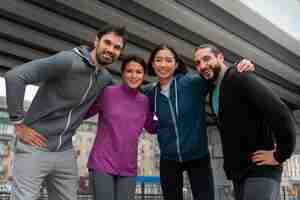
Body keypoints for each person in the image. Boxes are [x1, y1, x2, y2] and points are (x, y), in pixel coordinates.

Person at [4, 25, 127, 200]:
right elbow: (15, 77)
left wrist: (156, 87)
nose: (110, 50)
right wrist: (18, 123)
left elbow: (125, 95)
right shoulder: (68, 60)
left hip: (65, 152)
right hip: (35, 146)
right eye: (107, 43)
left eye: (117, 47)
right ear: (96, 40)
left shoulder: (104, 79)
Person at [144, 44, 255, 200]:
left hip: (198, 156)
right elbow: (130, 95)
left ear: (176, 64)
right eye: (158, 60)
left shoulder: (193, 82)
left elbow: (219, 74)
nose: (163, 65)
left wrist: (239, 66)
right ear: (152, 64)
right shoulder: (149, 92)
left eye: (168, 60)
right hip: (168, 158)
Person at [194, 44, 296, 200]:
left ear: (220, 57)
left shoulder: (239, 76)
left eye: (206, 59)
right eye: (198, 63)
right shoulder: (214, 90)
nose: (202, 65)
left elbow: (280, 111)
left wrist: (280, 154)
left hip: (261, 169)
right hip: (239, 174)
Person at [84, 55, 157, 200]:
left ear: (143, 75)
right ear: (123, 73)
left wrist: (160, 109)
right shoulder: (107, 93)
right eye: (129, 71)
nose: (134, 76)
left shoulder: (145, 101)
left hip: (128, 168)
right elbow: (82, 112)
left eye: (139, 72)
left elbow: (153, 127)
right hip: (102, 163)